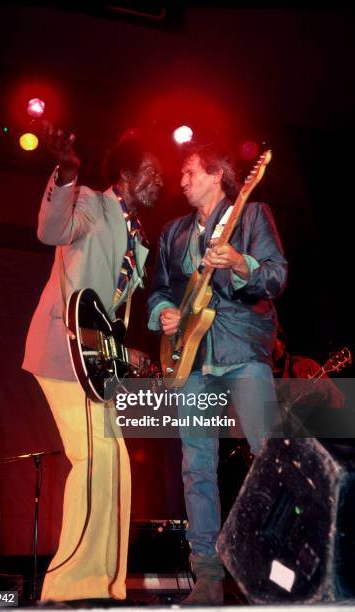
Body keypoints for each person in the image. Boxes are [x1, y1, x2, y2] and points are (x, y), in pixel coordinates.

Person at [22, 123, 163, 603]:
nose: (159, 180)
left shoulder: (136, 235)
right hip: (64, 352)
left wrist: (129, 354)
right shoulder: (92, 203)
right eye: (151, 171)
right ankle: (69, 585)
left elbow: (105, 316)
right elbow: (51, 229)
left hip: (95, 362)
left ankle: (105, 583)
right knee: (94, 458)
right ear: (125, 174)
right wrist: (65, 173)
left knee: (116, 464)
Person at [147, 143, 288, 605]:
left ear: (217, 175)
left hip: (242, 349)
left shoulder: (251, 214)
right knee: (196, 468)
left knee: (268, 456)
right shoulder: (173, 232)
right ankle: (207, 576)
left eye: (189, 172)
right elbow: (160, 288)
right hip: (191, 359)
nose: (181, 180)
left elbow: (276, 276)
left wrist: (241, 263)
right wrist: (166, 311)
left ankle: (281, 562)